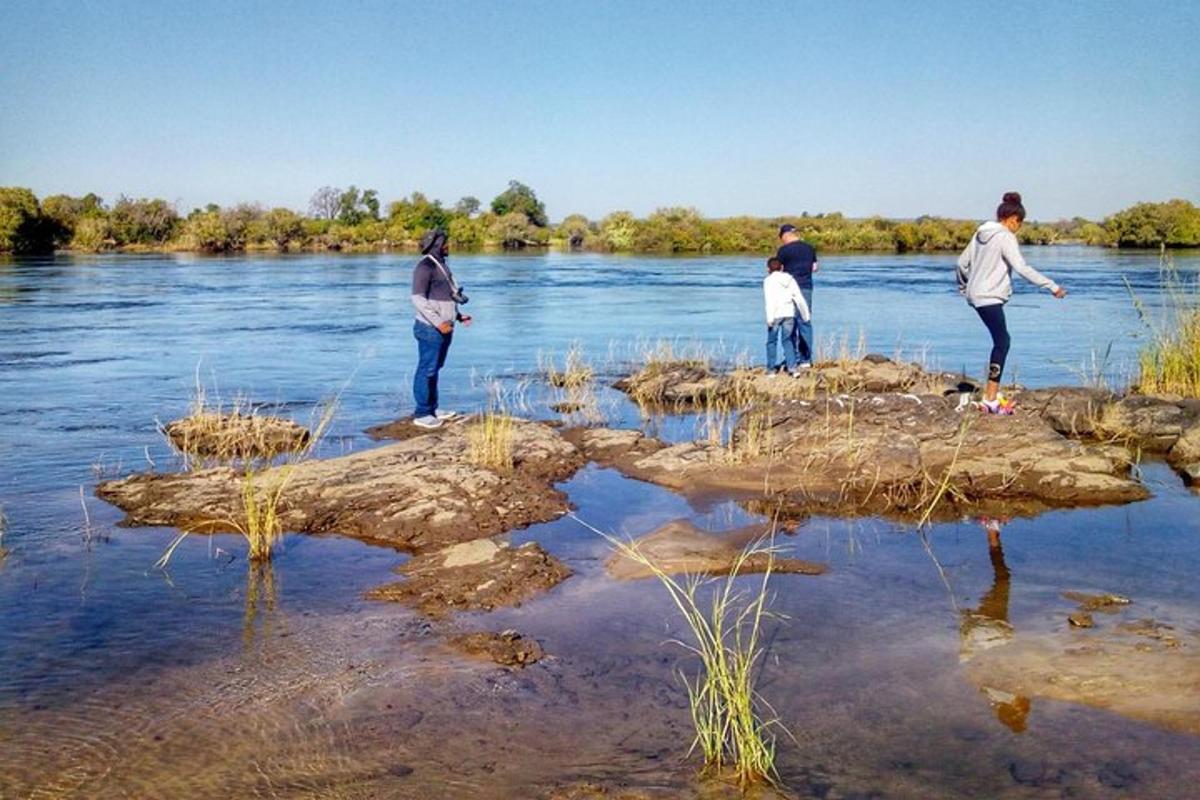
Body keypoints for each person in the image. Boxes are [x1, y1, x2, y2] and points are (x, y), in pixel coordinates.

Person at [956, 192, 1067, 414]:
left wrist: (964, 287)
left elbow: (961, 263)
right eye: (1020, 224)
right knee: (1002, 341)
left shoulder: (980, 233)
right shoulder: (1005, 236)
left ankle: (991, 394)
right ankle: (990, 399)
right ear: (1013, 219)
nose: (1019, 228)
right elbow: (1022, 267)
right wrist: (1052, 286)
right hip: (989, 296)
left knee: (1001, 340)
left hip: (977, 296)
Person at [410, 229, 471, 429]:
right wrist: (439, 323)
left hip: (445, 327)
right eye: (445, 243)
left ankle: (432, 409)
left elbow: (445, 299)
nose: (448, 246)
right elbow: (418, 299)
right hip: (430, 329)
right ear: (437, 245)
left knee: (434, 368)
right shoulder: (424, 267)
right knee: (427, 369)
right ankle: (422, 413)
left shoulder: (442, 265)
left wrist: (459, 316)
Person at [776, 223, 819, 367]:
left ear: (785, 235)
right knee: (805, 321)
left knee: (789, 322)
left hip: (788, 289)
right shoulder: (809, 248)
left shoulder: (783, 251)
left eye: (781, 237)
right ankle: (806, 359)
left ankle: (791, 358)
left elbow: (779, 271)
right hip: (806, 287)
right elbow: (815, 268)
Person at [763, 257, 811, 375]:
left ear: (768, 269)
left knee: (771, 342)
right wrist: (805, 315)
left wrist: (769, 318)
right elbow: (798, 297)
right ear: (782, 268)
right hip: (789, 313)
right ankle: (793, 369)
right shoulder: (790, 279)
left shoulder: (768, 281)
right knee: (788, 341)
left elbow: (769, 301)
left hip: (775, 314)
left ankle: (771, 370)